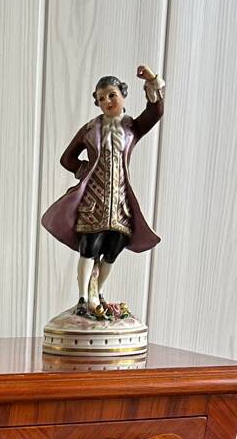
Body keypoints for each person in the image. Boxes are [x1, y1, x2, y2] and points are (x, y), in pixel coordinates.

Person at [41, 65, 164, 318]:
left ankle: (98, 291)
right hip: (93, 201)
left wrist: (152, 81)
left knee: (113, 249)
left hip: (119, 203)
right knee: (88, 248)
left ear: (123, 95)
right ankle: (83, 298)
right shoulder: (90, 129)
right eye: (101, 98)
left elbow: (155, 112)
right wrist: (85, 170)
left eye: (111, 95)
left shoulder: (131, 127)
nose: (107, 101)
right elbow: (67, 159)